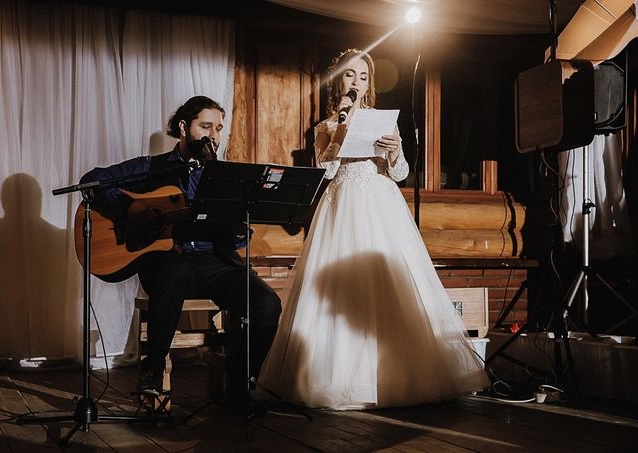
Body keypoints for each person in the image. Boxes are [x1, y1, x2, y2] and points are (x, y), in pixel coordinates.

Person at [259, 49, 489, 409]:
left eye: (364, 77)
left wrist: (394, 152)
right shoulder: (324, 127)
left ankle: (399, 376)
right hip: (343, 208)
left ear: (370, 84)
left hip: (382, 205)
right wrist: (340, 131)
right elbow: (327, 172)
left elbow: (400, 172)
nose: (357, 82)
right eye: (351, 75)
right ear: (338, 81)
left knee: (390, 284)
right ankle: (345, 380)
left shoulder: (383, 121)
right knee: (343, 290)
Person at [80, 96, 282, 414]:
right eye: (206, 126)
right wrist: (130, 208)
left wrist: (239, 230)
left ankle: (240, 390)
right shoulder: (151, 167)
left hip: (216, 264)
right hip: (167, 265)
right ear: (185, 127)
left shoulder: (225, 177)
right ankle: (153, 371)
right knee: (175, 269)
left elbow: (238, 239)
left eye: (219, 128)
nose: (214, 135)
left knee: (267, 302)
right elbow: (91, 180)